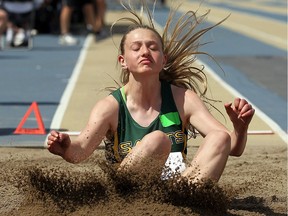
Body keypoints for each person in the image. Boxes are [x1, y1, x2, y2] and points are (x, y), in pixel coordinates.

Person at [47, 2, 255, 183]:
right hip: (129, 193)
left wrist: (239, 129)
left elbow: (230, 147)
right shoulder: (110, 107)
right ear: (123, 61)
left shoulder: (183, 99)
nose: (145, 52)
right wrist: (65, 147)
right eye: (136, 48)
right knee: (158, 140)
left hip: (176, 190)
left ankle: (184, 201)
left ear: (163, 60)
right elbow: (80, 151)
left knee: (219, 136)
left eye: (153, 47)